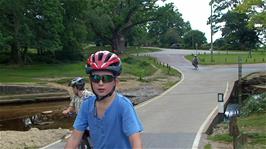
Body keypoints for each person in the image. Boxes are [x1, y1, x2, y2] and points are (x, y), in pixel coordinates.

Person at [65, 51, 143, 149]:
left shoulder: (123, 106)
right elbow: (74, 138)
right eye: (96, 78)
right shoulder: (87, 105)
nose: (100, 83)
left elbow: (135, 140)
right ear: (90, 81)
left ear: (116, 82)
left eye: (107, 78)